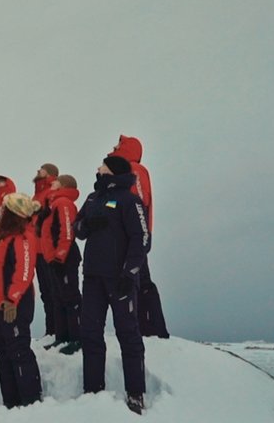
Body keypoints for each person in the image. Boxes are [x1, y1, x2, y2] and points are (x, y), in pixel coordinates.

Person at [75, 156, 150, 415]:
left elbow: (142, 238)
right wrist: (87, 224)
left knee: (128, 334)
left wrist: (130, 273)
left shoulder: (130, 200)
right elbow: (78, 228)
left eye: (103, 164)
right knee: (90, 333)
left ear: (113, 170)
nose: (98, 167)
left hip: (120, 279)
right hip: (92, 277)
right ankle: (93, 391)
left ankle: (136, 393)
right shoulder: (92, 198)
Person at [0, 189, 42, 409]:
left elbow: (24, 271)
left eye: (5, 208)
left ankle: (30, 401)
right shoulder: (0, 235)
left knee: (18, 350)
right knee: (4, 353)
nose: (1, 211)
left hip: (13, 304)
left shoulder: (24, 237)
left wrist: (12, 299)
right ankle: (11, 403)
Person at [112, 134, 170, 338]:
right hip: (129, 235)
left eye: (118, 145)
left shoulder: (134, 169)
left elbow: (139, 201)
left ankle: (153, 329)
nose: (114, 147)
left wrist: (138, 234)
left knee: (142, 280)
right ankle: (147, 327)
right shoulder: (124, 171)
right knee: (138, 278)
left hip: (134, 236)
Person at [41, 174, 83, 353]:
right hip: (54, 259)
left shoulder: (63, 203)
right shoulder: (53, 204)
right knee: (58, 298)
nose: (52, 182)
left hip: (64, 258)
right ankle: (62, 337)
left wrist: (60, 257)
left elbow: (67, 231)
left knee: (70, 297)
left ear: (64, 185)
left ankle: (77, 338)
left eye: (56, 181)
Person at [30, 163, 59, 337]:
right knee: (46, 292)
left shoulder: (51, 191)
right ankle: (51, 330)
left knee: (53, 290)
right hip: (37, 248)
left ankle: (57, 330)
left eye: (41, 169)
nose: (38, 171)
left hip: (48, 249)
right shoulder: (37, 194)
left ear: (49, 173)